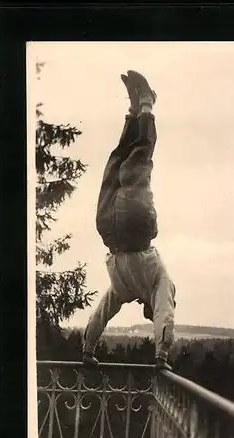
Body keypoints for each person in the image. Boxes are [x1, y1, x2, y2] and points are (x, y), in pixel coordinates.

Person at [82, 70, 176, 371]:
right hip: (130, 229)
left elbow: (103, 311)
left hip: (113, 231)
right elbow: (165, 312)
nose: (151, 308)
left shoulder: (127, 289)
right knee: (133, 163)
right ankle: (146, 103)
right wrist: (161, 354)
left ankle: (136, 110)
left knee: (117, 163)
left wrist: (88, 348)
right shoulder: (157, 283)